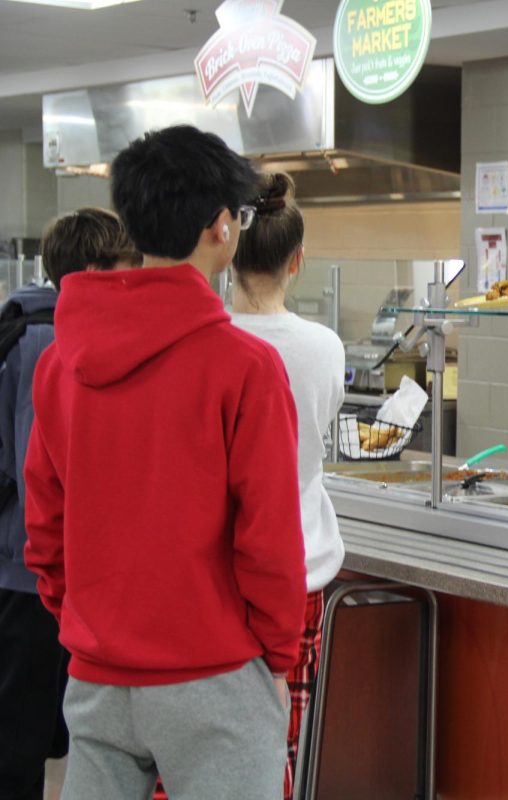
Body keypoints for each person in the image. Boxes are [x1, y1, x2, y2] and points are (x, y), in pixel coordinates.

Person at [23, 124, 308, 800]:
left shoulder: (61, 360)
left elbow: (45, 523)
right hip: (212, 675)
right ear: (220, 228)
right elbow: (267, 537)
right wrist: (277, 655)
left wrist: (83, 622)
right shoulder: (243, 365)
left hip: (96, 673)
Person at [0, 209, 138, 800]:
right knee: (19, 744)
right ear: (92, 272)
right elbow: (41, 470)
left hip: (28, 569)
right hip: (29, 575)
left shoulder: (31, 321)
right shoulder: (48, 339)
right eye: (125, 269)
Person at [230, 172, 345, 800]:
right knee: (282, 741)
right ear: (297, 260)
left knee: (203, 748)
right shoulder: (322, 346)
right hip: (299, 569)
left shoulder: (209, 342)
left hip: (218, 575)